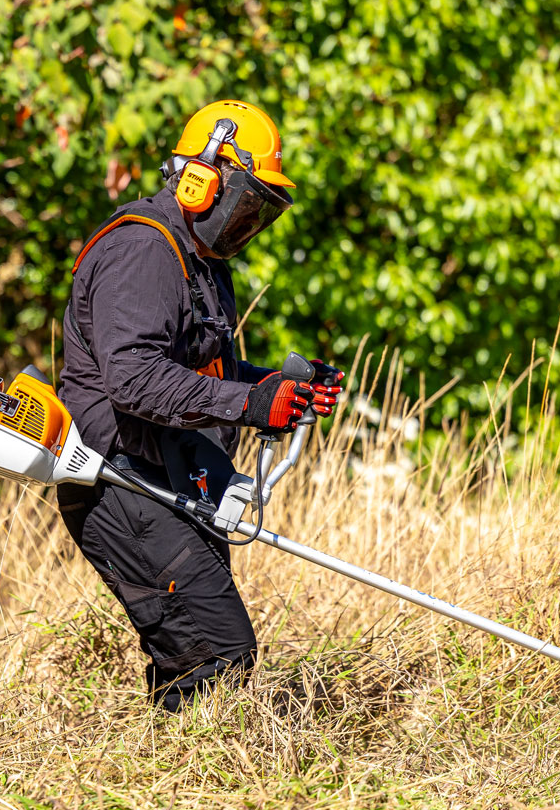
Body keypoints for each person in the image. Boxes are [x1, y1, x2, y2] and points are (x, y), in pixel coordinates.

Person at [56, 100, 344, 712]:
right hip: (119, 479)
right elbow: (133, 379)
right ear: (201, 179)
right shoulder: (142, 250)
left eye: (262, 212)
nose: (249, 224)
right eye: (246, 204)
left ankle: (158, 757)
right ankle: (181, 761)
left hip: (171, 475)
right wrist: (247, 403)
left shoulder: (202, 263)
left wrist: (276, 388)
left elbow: (205, 372)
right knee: (217, 652)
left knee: (196, 656)